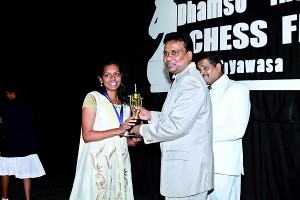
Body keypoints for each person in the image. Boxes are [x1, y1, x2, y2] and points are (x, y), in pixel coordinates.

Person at [130, 32, 214, 200]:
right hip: (184, 174)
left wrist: (142, 130)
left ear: (189, 55)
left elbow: (177, 126)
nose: (168, 58)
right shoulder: (182, 79)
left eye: (175, 52)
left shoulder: (190, 82)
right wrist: (151, 116)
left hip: (188, 175)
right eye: (166, 53)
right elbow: (179, 117)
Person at [69, 60, 141, 200]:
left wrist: (131, 141)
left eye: (116, 74)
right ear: (100, 79)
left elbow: (118, 139)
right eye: (107, 75)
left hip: (118, 164)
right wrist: (120, 129)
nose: (113, 78)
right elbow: (87, 135)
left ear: (121, 76)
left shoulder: (126, 106)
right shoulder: (93, 98)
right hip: (98, 165)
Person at [196, 54, 251, 200]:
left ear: (218, 67)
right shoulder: (201, 92)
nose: (201, 72)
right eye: (198, 69)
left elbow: (236, 129)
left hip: (222, 167)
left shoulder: (237, 89)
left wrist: (199, 133)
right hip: (200, 165)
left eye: (205, 67)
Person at [0, 83, 46, 200]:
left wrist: (1, 122)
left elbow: (5, 128)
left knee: (5, 172)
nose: (7, 96)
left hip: (11, 145)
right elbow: (31, 122)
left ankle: (4, 198)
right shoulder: (27, 106)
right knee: (26, 174)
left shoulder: (7, 107)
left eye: (7, 94)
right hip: (26, 145)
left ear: (13, 93)